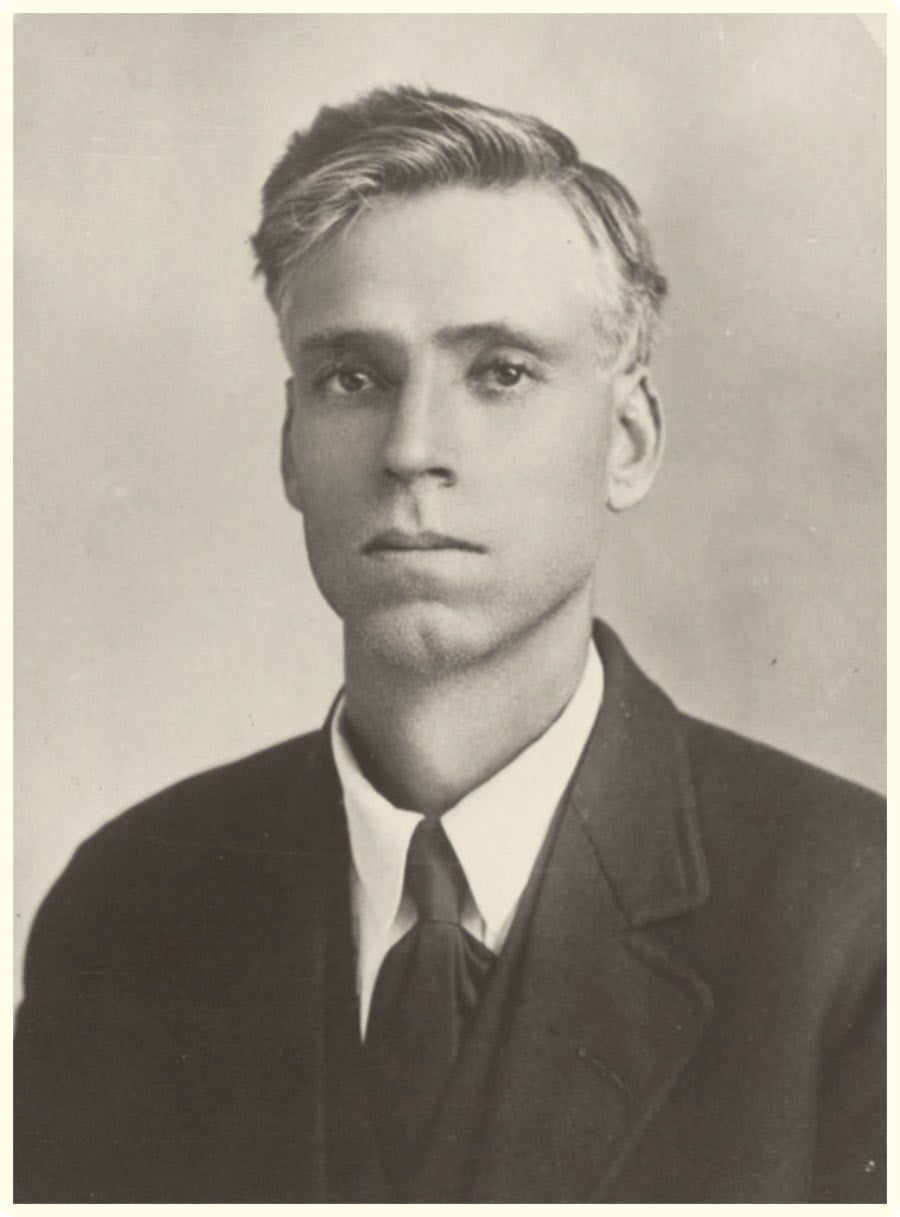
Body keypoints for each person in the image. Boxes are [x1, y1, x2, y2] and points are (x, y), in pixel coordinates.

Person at [14, 86, 884, 1204]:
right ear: (290, 447)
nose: (412, 448)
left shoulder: (857, 921)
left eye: (500, 372)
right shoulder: (126, 910)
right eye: (353, 378)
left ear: (628, 440)